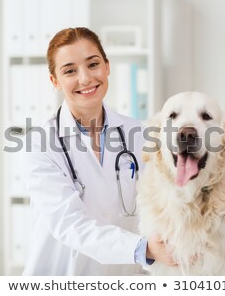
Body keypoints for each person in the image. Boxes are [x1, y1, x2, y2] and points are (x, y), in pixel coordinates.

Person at [22, 27, 175, 275]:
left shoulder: (138, 133)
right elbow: (68, 224)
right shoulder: (40, 143)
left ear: (107, 66)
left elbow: (159, 204)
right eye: (70, 70)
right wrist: (143, 248)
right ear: (55, 81)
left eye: (93, 64)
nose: (85, 78)